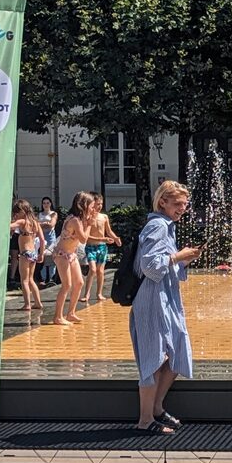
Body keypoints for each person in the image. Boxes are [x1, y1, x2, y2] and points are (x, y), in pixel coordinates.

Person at [130, 180, 202, 435]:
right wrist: (179, 256)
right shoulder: (157, 226)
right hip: (152, 299)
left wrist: (184, 260)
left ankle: (157, 409)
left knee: (174, 351)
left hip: (165, 297)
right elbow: (149, 266)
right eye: (178, 203)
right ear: (163, 202)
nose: (183, 208)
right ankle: (145, 419)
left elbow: (164, 264)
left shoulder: (167, 227)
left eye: (185, 204)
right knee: (154, 357)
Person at [52, 191, 96, 325]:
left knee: (79, 283)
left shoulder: (80, 219)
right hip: (61, 254)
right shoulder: (75, 220)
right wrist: (89, 224)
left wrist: (88, 222)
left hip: (71, 254)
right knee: (67, 285)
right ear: (84, 205)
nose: (93, 209)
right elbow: (83, 239)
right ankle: (58, 317)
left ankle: (71, 313)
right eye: (92, 206)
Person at [80, 192, 122, 303]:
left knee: (100, 271)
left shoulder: (104, 217)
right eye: (97, 204)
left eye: (101, 204)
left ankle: (99, 293)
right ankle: (87, 293)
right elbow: (86, 236)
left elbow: (108, 231)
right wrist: (102, 239)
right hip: (91, 246)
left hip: (102, 247)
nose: (99, 206)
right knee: (92, 269)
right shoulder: (87, 218)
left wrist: (116, 238)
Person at [10, 199, 46, 311]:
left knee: (24, 280)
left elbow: (11, 226)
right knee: (31, 279)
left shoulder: (22, 222)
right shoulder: (35, 223)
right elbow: (42, 239)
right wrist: (41, 254)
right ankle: (38, 302)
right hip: (33, 253)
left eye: (17, 212)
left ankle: (27, 304)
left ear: (23, 211)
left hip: (25, 253)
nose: (16, 214)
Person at [38, 196, 59, 286]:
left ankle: (51, 277)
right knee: (42, 255)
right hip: (41, 236)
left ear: (50, 204)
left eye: (48, 203)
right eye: (44, 203)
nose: (46, 205)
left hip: (50, 237)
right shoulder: (39, 214)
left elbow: (51, 225)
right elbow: (36, 224)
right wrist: (45, 223)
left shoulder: (53, 214)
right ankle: (43, 278)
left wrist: (42, 224)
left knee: (51, 256)